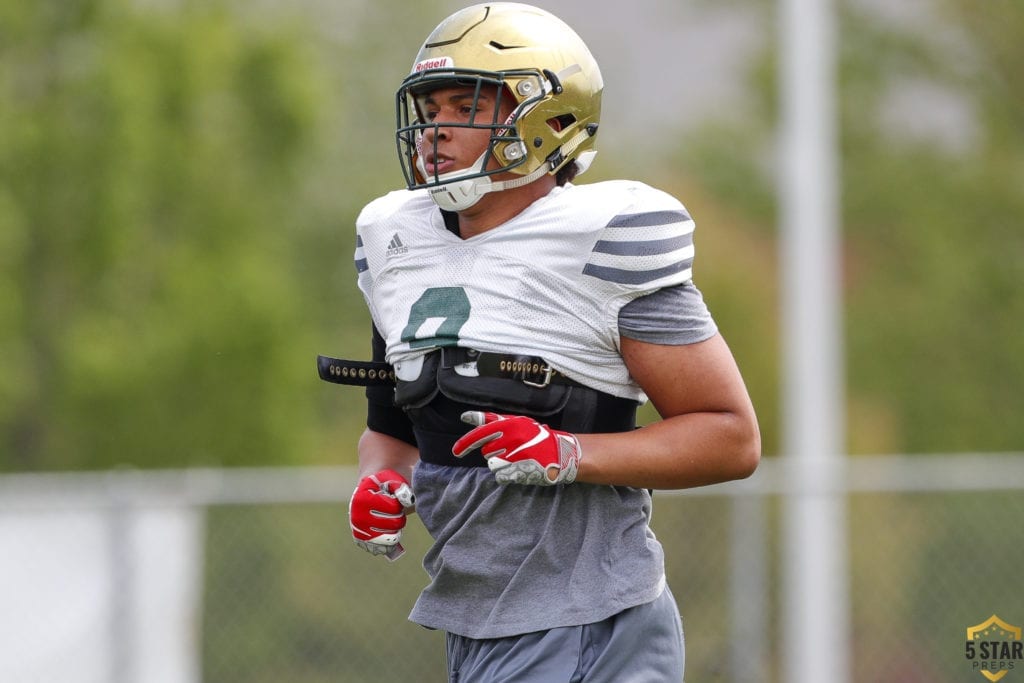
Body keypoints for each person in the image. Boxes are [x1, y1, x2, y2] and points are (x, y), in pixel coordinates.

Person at [340, 3, 760, 681]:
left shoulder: (604, 237)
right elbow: (391, 427)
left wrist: (569, 453)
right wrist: (377, 480)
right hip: (476, 620)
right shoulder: (396, 240)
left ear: (547, 120)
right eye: (431, 108)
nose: (436, 130)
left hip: (596, 619)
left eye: (466, 105)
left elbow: (731, 436)